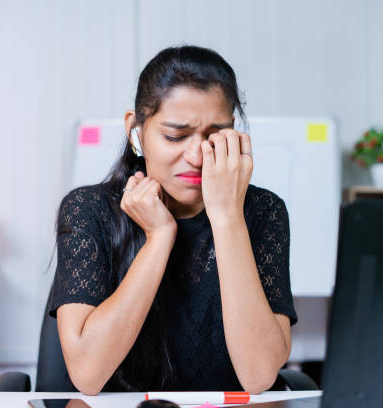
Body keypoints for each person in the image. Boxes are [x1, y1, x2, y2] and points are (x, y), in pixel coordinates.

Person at [48, 45, 297, 395]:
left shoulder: (264, 211)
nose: (197, 155)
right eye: (175, 136)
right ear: (136, 132)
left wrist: (227, 218)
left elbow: (258, 376)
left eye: (215, 136)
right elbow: (88, 375)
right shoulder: (88, 209)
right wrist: (160, 236)